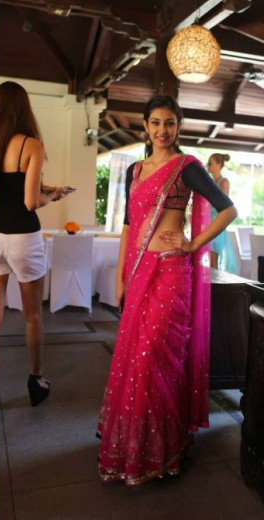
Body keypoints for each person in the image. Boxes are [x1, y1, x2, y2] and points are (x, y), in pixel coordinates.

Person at [97, 95, 237, 486]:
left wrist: (193, 244)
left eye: (169, 123)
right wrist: (121, 276)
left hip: (172, 272)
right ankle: (135, 448)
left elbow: (228, 209)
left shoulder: (186, 167)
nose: (162, 130)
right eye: (155, 123)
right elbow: (128, 226)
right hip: (139, 272)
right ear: (145, 126)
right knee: (133, 359)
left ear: (179, 126)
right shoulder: (136, 170)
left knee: (156, 357)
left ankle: (164, 447)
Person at [0, 81, 69, 407]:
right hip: (24, 236)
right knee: (32, 314)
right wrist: (51, 195)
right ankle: (36, 380)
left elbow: (5, 189)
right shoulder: (31, 145)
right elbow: (29, 202)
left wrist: (40, 189)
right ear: (24, 108)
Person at [206, 152, 238, 274]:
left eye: (210, 163)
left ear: (219, 165)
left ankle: (216, 288)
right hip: (207, 222)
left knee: (214, 259)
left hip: (218, 221)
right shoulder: (209, 182)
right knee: (208, 259)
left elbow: (223, 202)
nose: (208, 166)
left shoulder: (224, 182)